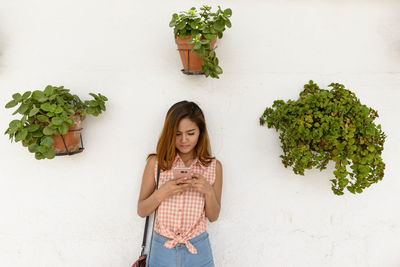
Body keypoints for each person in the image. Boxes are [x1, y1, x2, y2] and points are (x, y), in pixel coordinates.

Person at [137, 101, 223, 267]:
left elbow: (213, 216)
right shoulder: (156, 163)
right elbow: (142, 210)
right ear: (169, 134)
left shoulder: (213, 167)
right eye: (177, 134)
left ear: (200, 132)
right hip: (161, 249)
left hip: (198, 249)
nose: (184, 140)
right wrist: (162, 192)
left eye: (190, 133)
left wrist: (208, 192)